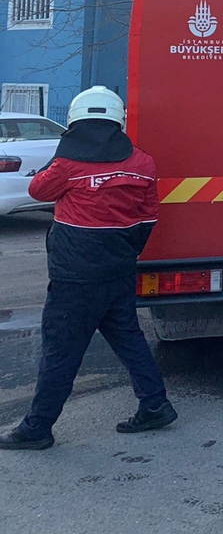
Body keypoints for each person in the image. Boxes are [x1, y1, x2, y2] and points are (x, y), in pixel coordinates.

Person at [0, 87, 176, 451]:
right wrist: (126, 252)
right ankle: (155, 405)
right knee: (128, 339)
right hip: (118, 268)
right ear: (118, 120)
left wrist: (61, 155)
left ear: (74, 122)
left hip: (75, 276)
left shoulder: (67, 165)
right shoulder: (142, 162)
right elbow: (148, 218)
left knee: (60, 350)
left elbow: (38, 191)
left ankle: (37, 428)